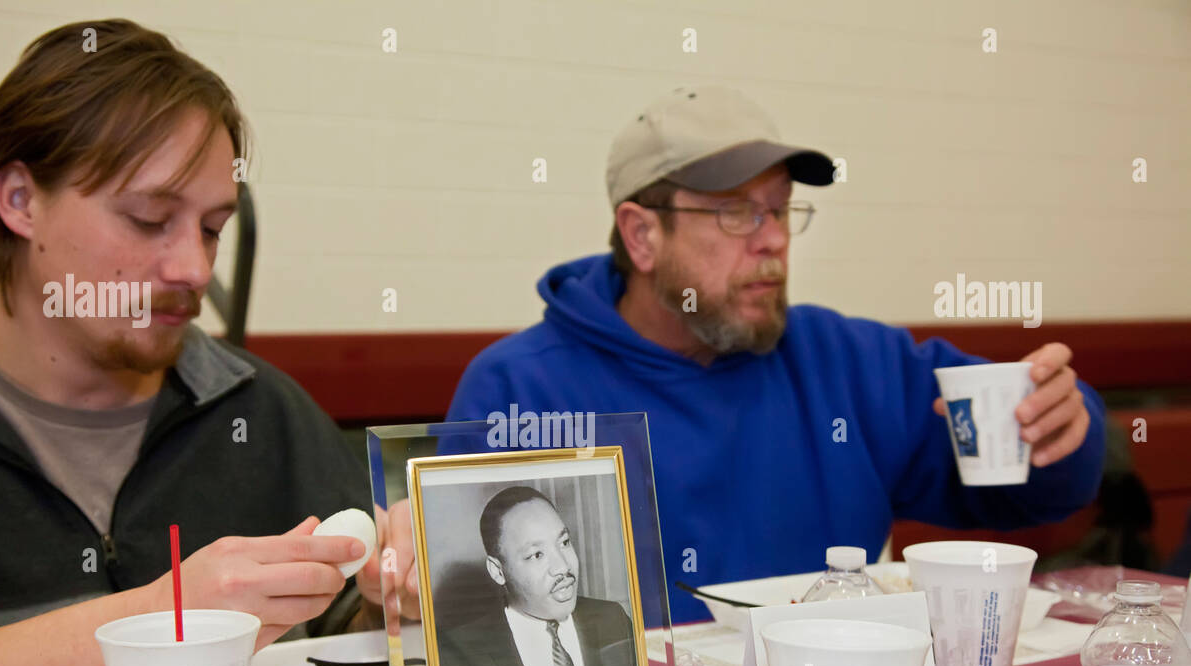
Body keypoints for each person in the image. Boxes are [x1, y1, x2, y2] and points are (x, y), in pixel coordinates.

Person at [0, 20, 419, 666]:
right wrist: (167, 618)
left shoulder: (259, 412)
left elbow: (340, 650)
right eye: (148, 219)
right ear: (19, 200)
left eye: (211, 228)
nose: (196, 271)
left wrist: (391, 603)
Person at [446, 86, 1107, 624]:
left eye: (780, 211)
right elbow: (471, 611)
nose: (774, 243)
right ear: (642, 235)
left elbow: (1028, 494)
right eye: (736, 214)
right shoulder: (517, 389)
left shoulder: (849, 362)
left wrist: (1061, 426)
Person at [438, 487, 642, 666]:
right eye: (537, 555)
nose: (563, 567)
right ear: (498, 571)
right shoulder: (460, 658)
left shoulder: (612, 619)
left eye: (564, 543)